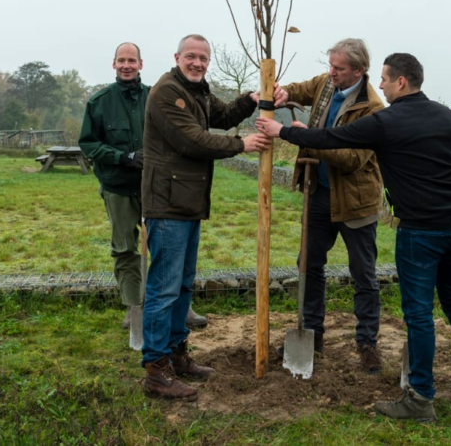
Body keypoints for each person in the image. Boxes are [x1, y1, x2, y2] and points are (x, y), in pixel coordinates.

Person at [257, 52, 451, 422]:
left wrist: (282, 132)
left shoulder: (385, 120)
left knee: (419, 315)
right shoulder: (448, 116)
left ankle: (420, 397)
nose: (379, 85)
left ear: (400, 82)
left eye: (384, 78)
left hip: (421, 232)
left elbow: (335, 138)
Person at [138, 34, 286, 400]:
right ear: (177, 57)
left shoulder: (197, 91)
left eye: (203, 58)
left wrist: (252, 99)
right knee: (164, 288)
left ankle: (176, 354)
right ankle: (156, 370)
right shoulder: (165, 93)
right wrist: (241, 144)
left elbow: (221, 115)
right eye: (191, 56)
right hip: (167, 204)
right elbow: (192, 140)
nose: (198, 63)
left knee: (183, 286)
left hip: (187, 203)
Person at [78, 42, 207, 331]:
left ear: (141, 64)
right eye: (121, 60)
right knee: (125, 248)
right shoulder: (99, 102)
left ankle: (178, 306)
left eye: (132, 60)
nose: (127, 65)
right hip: (118, 187)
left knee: (168, 248)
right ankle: (134, 305)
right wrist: (122, 157)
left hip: (157, 187)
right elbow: (88, 143)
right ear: (113, 64)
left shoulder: (156, 96)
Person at [276, 38, 385, 373]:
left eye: (339, 68)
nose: (331, 73)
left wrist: (309, 137)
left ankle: (367, 343)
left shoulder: (373, 109)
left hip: (355, 202)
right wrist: (284, 93)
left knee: (363, 273)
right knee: (309, 264)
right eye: (330, 66)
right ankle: (312, 333)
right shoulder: (326, 84)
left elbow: (352, 158)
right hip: (318, 193)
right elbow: (302, 88)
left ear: (359, 71)